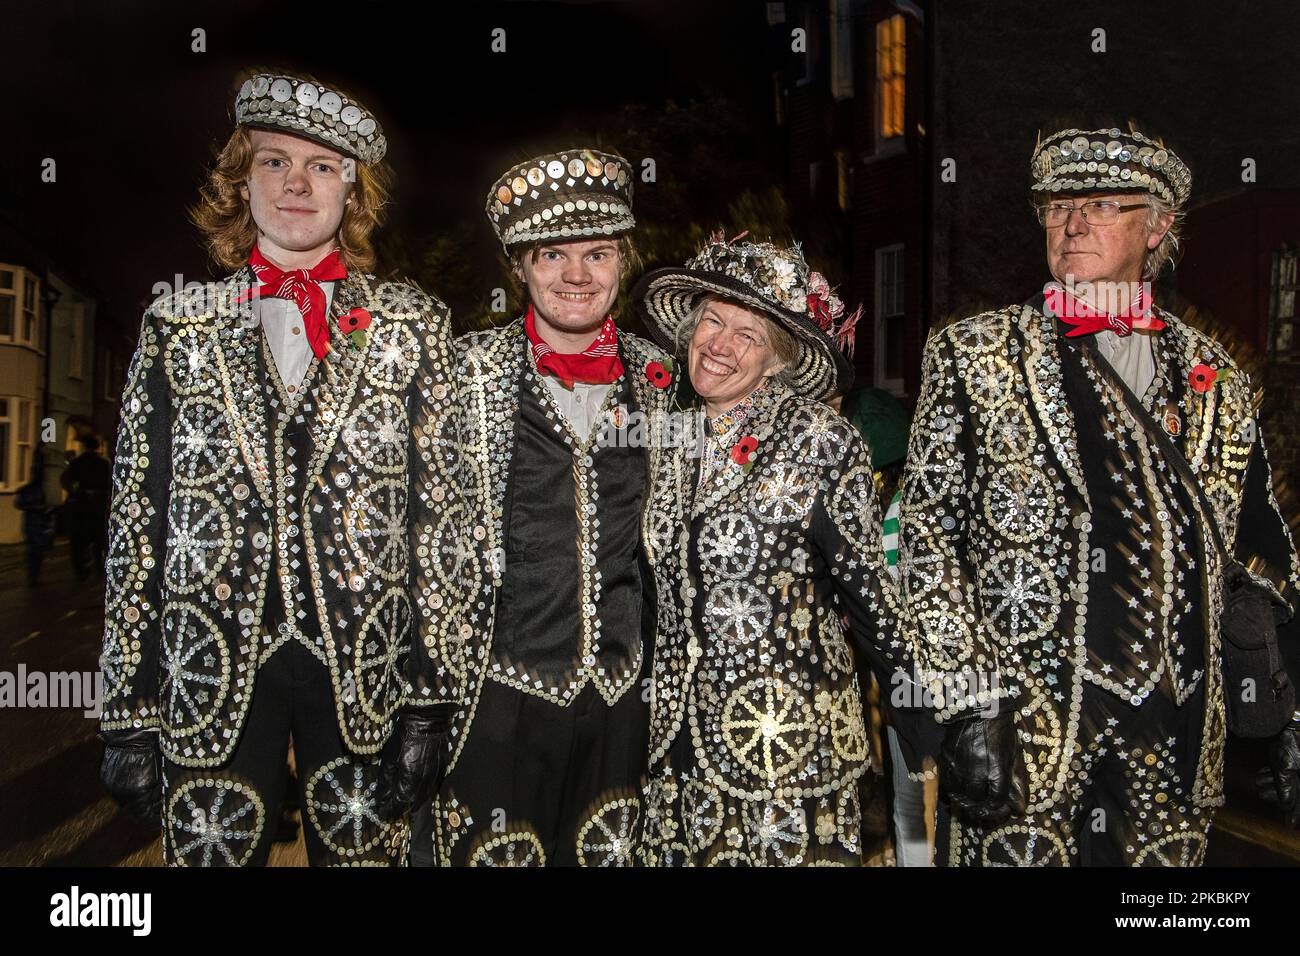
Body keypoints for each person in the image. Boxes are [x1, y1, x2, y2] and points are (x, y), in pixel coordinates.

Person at [899, 125, 1300, 865]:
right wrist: (968, 703)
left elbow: (1260, 545)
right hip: (1029, 733)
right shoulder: (973, 355)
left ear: (1160, 227)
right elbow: (925, 541)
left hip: (1172, 738)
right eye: (1057, 206)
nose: (1074, 223)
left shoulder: (1220, 379)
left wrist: (1280, 685)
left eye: (1103, 205)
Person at [95, 70, 464, 866]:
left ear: (352, 192)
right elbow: (135, 524)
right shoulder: (176, 326)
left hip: (368, 673)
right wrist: (126, 705)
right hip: (207, 667)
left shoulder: (414, 326)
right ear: (240, 182)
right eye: (273, 162)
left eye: (322, 166)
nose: (297, 182)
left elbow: (443, 524)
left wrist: (430, 702)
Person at [631, 233, 937, 865]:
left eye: (747, 335)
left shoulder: (822, 442)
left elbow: (871, 599)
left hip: (791, 755)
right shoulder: (660, 437)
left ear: (777, 361)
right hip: (673, 754)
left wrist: (924, 724)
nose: (718, 344)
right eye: (712, 321)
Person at [411, 147, 674, 866]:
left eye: (597, 254)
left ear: (624, 260)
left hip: (625, 701)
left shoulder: (662, 380)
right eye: (552, 254)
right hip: (499, 699)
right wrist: (426, 690)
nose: (576, 276)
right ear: (521, 268)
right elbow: (426, 535)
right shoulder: (466, 372)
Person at [841, 386, 935, 866]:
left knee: (915, 805)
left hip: (919, 683)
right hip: (918, 684)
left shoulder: (899, 515)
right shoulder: (905, 509)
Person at [61, 435, 111, 579]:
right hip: (98, 505)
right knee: (98, 538)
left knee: (79, 539)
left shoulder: (77, 462)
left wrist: (74, 492)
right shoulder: (103, 463)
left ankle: (81, 570)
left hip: (81, 504)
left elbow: (65, 480)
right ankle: (99, 567)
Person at [15, 462, 55, 587]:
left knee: (36, 550)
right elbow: (19, 504)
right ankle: (33, 576)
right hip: (34, 521)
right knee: (34, 549)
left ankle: (34, 575)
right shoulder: (30, 490)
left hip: (38, 521)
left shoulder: (39, 489)